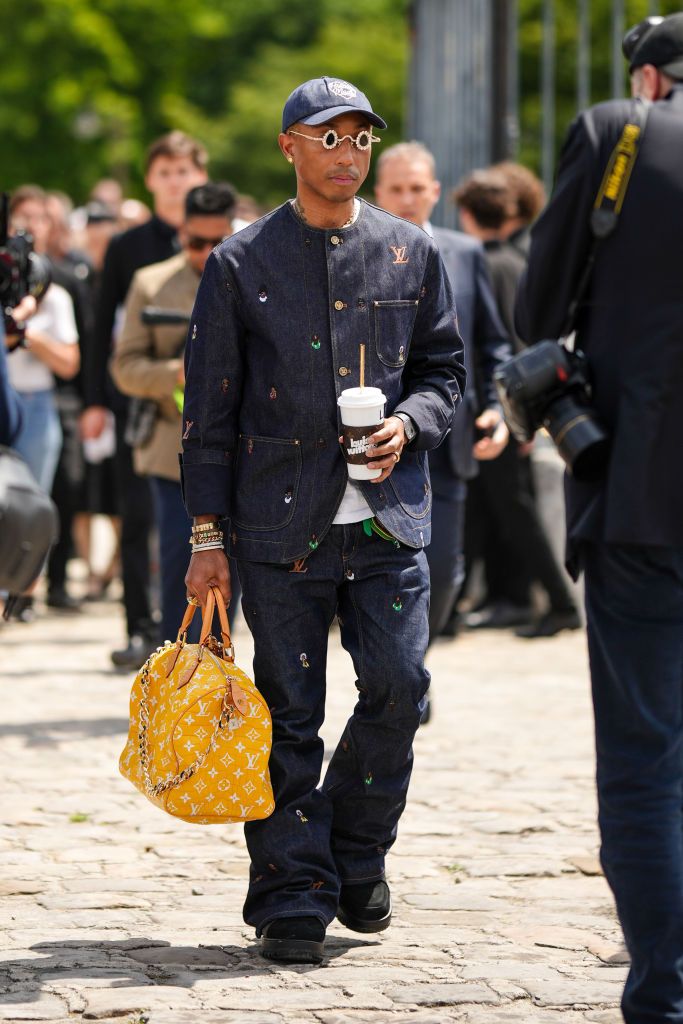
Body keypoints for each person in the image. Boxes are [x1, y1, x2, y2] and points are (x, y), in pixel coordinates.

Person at [181, 76, 465, 964]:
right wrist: (206, 539)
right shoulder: (239, 261)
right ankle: (291, 892)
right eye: (327, 137)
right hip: (277, 525)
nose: (347, 153)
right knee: (289, 711)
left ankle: (352, 851)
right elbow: (209, 412)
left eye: (359, 139)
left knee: (398, 689)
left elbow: (446, 375)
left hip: (387, 523)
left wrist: (408, 423)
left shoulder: (409, 252)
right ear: (288, 148)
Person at [515, 14, 683, 1021]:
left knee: (643, 759)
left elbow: (535, 313)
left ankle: (663, 992)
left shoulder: (622, 131)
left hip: (641, 494)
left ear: (648, 78)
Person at [373, 141, 510, 654]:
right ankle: (397, 682)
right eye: (397, 189)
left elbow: (491, 342)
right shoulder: (355, 249)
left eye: (417, 188)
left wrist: (497, 407)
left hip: (449, 439)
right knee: (384, 574)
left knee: (445, 568)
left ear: (434, 191)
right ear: (378, 191)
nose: (408, 198)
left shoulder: (467, 253)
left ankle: (411, 670)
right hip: (378, 438)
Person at [81, 131, 208, 668]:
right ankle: (140, 627)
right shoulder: (129, 246)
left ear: (200, 176)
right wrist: (94, 400)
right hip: (142, 402)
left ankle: (203, 631)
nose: (175, 181)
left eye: (184, 172)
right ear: (151, 180)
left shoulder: (227, 238)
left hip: (209, 411)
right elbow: (98, 325)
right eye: (165, 172)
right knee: (137, 518)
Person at [455, 169, 581, 638]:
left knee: (513, 508)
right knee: (496, 507)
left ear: (466, 215)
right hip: (514, 406)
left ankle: (562, 603)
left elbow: (495, 344)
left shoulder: (483, 264)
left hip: (496, 409)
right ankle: (485, 601)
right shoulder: (515, 259)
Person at [111, 182, 239, 643]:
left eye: (217, 242)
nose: (205, 253)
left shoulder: (252, 276)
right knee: (175, 573)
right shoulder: (151, 283)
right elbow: (124, 367)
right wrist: (179, 373)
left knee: (235, 581)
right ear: (180, 232)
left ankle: (219, 682)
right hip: (172, 452)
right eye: (195, 242)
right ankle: (176, 684)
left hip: (243, 451)